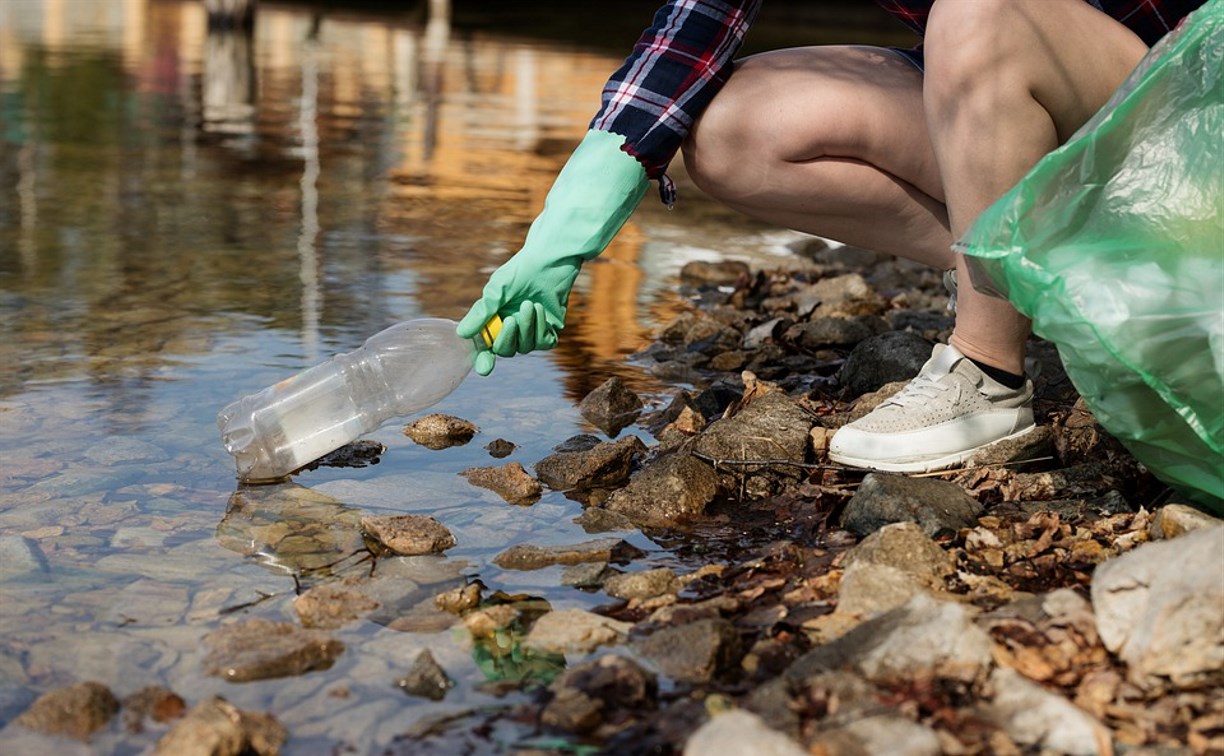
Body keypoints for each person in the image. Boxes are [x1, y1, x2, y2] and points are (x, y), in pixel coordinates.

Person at [456, 0, 1205, 473]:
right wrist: (573, 216)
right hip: (1056, 110)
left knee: (979, 11)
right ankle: (1036, 277)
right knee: (731, 128)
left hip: (1194, 129)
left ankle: (988, 376)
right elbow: (699, 20)